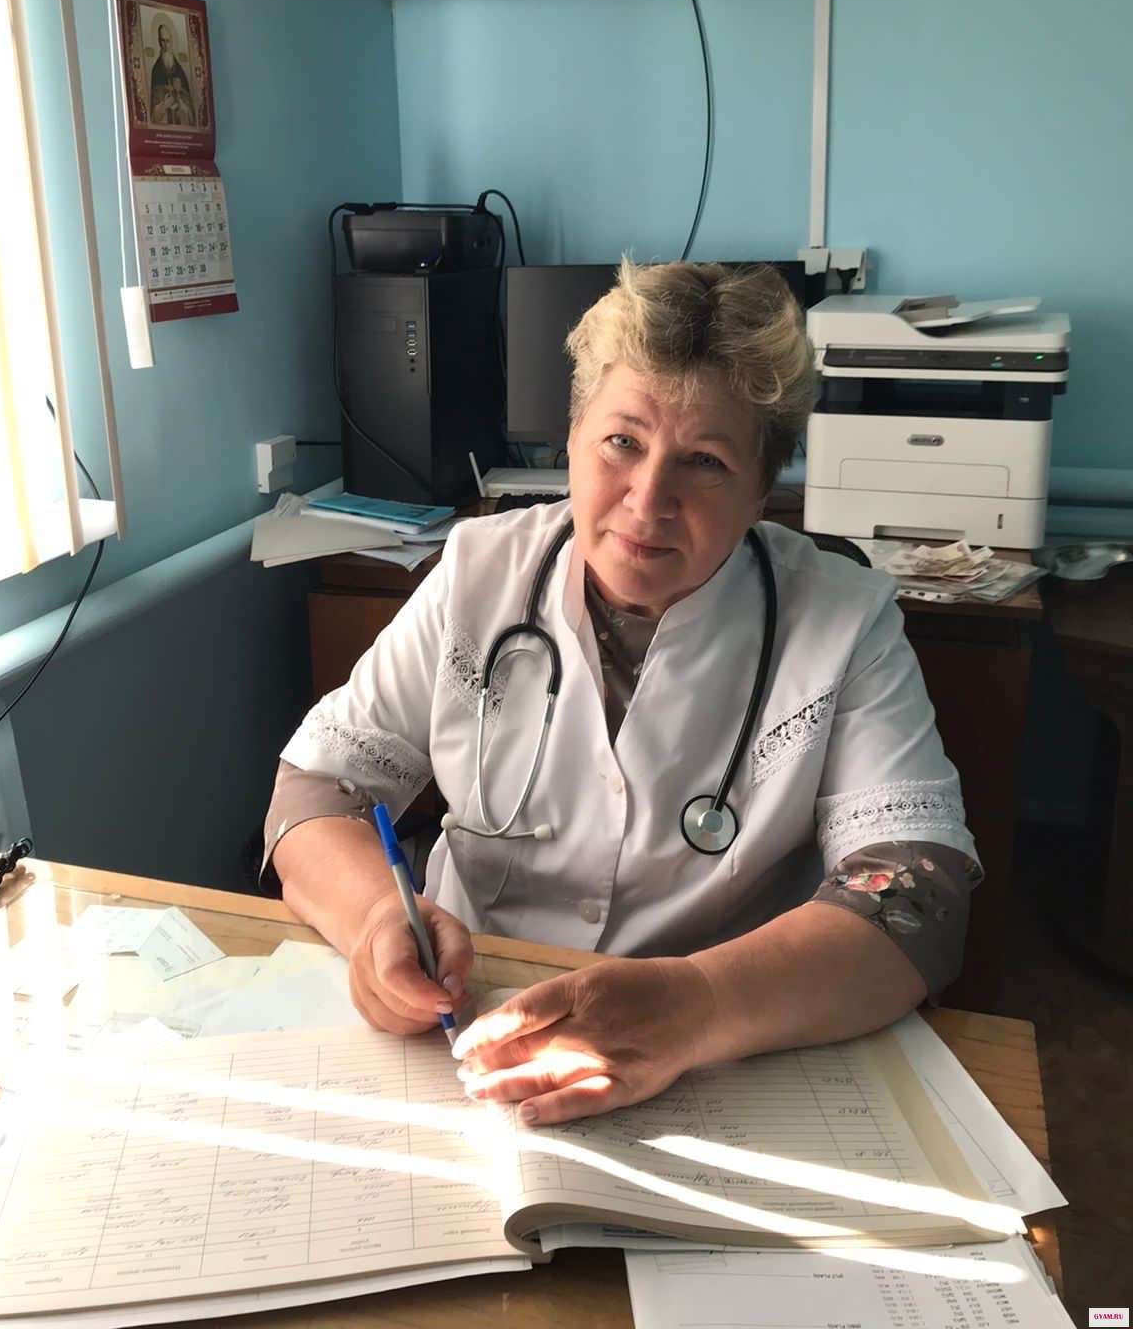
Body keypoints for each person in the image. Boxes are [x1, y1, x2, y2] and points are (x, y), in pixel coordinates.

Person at [264, 261, 981, 1127]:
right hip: (470, 1025)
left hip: (724, 1053)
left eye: (705, 462)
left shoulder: (844, 619)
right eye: (622, 443)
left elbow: (916, 896)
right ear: (571, 440)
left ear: (762, 492)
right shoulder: (478, 573)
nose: (649, 501)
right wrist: (377, 918)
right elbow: (316, 789)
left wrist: (695, 1004)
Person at [149, 21, 193, 124]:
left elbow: (191, 115)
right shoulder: (156, 70)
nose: (166, 45)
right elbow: (153, 115)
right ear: (159, 42)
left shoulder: (180, 72)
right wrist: (164, 105)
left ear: (172, 41)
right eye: (163, 41)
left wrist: (182, 104)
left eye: (168, 41)